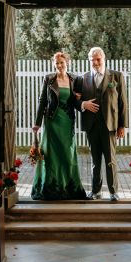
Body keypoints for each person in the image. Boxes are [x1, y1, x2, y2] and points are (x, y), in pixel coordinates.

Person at [30, 52, 87, 200]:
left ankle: (69, 188)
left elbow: (77, 103)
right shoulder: (49, 79)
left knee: (68, 154)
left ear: (67, 62)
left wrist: (81, 101)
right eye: (57, 63)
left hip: (67, 121)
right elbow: (42, 100)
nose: (60, 65)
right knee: (51, 156)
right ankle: (49, 189)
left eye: (62, 62)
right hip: (51, 121)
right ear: (54, 64)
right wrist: (37, 123)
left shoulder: (75, 79)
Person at [74, 47, 127, 202]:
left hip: (109, 125)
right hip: (91, 126)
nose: (96, 62)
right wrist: (83, 104)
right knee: (95, 161)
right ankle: (96, 191)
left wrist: (122, 126)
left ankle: (113, 192)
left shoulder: (116, 77)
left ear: (104, 59)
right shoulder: (82, 79)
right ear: (89, 60)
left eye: (98, 59)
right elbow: (75, 101)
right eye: (93, 60)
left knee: (111, 160)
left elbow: (123, 103)